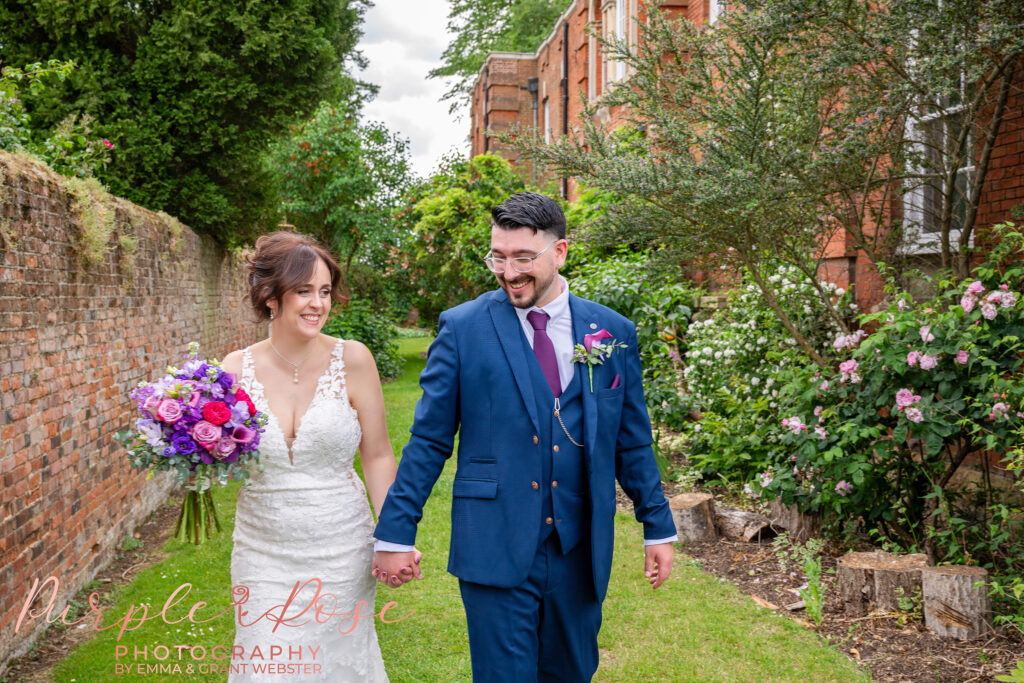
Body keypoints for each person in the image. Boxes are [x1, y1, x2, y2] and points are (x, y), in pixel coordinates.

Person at [372, 192, 677, 681]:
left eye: (522, 258)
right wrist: (394, 530)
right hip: (494, 543)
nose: (508, 272)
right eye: (498, 256)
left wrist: (657, 526)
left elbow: (631, 439)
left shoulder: (611, 332)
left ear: (559, 253)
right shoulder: (463, 328)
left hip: (578, 551)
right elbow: (429, 441)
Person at [220, 231, 416, 682]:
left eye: (325, 291)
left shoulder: (354, 360)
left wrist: (394, 537)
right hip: (261, 550)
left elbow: (379, 456)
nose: (318, 303)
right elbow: (221, 457)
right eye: (304, 290)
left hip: (340, 549)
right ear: (270, 296)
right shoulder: (233, 369)